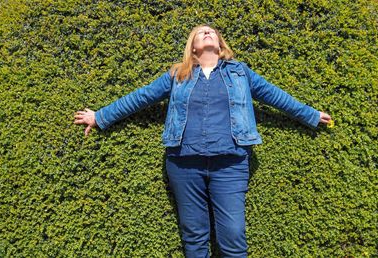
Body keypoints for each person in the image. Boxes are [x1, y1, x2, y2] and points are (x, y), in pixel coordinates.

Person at [74, 24, 331, 257]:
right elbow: (141, 97)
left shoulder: (240, 73)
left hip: (231, 164)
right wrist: (100, 116)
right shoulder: (178, 75)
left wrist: (310, 114)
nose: (208, 33)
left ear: (220, 43)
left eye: (212, 32)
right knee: (194, 238)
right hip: (184, 164)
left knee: (233, 236)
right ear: (193, 46)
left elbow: (276, 96)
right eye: (201, 32)